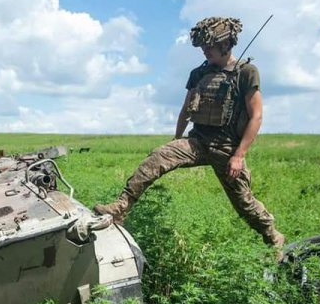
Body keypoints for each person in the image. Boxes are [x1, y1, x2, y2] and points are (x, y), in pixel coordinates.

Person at [94, 16, 285, 249]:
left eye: (210, 46)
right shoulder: (198, 73)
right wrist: (175, 143)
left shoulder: (246, 72)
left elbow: (256, 116)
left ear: (226, 44)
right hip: (198, 141)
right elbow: (186, 110)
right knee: (156, 158)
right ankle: (121, 207)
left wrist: (239, 155)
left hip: (227, 148)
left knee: (244, 203)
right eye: (203, 46)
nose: (205, 51)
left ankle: (273, 237)